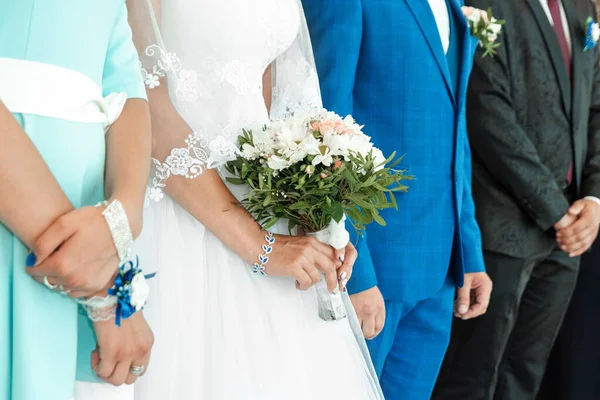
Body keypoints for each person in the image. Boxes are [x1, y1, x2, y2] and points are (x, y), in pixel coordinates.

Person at [126, 0, 383, 399]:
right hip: (181, 218)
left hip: (267, 210)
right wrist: (261, 246)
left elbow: (275, 106)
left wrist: (315, 214)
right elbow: (146, 112)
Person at [301, 1, 492, 399]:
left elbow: (455, 135)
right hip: (372, 268)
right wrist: (358, 273)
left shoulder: (454, 7)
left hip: (438, 273)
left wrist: (468, 252)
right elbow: (322, 130)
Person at [433, 0, 600, 399]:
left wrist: (593, 198)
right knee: (471, 377)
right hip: (501, 230)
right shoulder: (484, 4)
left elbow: (596, 107)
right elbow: (488, 113)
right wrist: (557, 213)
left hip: (567, 237)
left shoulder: (581, 9)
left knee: (525, 374)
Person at [0, 1, 153, 399]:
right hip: (25, 225)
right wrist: (105, 288)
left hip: (87, 238)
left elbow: (126, 87)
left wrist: (123, 218)